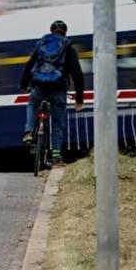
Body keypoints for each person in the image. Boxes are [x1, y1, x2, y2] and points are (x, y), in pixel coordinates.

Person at [20, 20, 85, 165]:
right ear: (65, 33)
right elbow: (77, 74)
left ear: (51, 31)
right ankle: (56, 156)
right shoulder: (68, 49)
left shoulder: (42, 45)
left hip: (39, 87)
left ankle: (29, 131)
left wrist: (24, 85)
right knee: (57, 124)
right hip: (58, 89)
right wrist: (79, 100)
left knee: (32, 105)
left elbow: (30, 65)